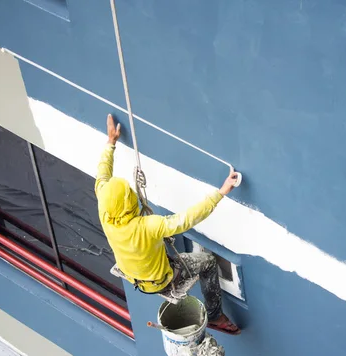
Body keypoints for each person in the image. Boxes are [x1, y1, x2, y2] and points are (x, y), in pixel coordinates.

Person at [95, 114, 241, 335]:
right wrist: (220, 193)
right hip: (160, 281)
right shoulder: (147, 227)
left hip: (136, 277)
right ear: (128, 202)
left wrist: (111, 143)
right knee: (208, 262)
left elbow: (102, 176)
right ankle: (215, 317)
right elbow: (186, 219)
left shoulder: (105, 212)